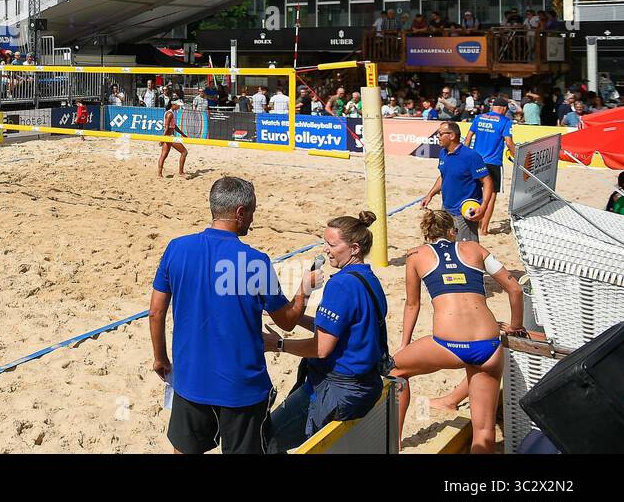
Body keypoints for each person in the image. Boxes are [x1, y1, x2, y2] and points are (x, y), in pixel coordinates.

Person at [148, 176, 315, 454]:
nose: (252, 219)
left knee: (184, 450)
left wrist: (160, 357)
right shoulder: (255, 262)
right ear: (240, 212)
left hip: (191, 380)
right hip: (241, 388)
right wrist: (306, 289)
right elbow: (286, 321)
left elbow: (156, 312)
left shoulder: (176, 248)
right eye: (252, 212)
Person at [390, 210, 524, 454]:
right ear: (453, 232)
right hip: (489, 345)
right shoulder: (475, 249)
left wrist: (404, 344)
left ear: (426, 234)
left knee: (395, 370)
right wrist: (516, 326)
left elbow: (412, 304)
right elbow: (515, 289)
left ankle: (394, 444)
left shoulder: (415, 255)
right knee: (484, 431)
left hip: (448, 345)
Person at [274, 211, 388, 437]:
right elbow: (347, 327)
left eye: (331, 244)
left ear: (354, 248)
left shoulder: (341, 285)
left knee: (267, 436)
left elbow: (321, 348)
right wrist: (299, 318)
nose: (325, 250)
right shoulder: (369, 279)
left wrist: (277, 344)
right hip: (367, 384)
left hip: (338, 389)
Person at [421, 121, 493, 242]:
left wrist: (484, 206)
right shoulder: (443, 153)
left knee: (467, 250)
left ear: (452, 136)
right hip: (446, 208)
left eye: (440, 133)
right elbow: (444, 176)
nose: (438, 136)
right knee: (447, 246)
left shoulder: (471, 156)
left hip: (464, 211)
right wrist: (430, 194)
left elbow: (487, 181)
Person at [464, 98, 516, 237]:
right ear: (504, 109)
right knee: (491, 195)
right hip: (492, 162)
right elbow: (509, 142)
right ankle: (484, 229)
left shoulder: (479, 117)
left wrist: (464, 155)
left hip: (475, 159)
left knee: (474, 191)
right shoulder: (505, 121)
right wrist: (517, 156)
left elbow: (468, 137)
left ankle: (472, 222)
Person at [156, 98, 188, 179]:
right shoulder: (170, 114)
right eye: (178, 106)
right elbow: (166, 128)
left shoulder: (170, 113)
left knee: (163, 155)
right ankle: (181, 172)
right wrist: (162, 139)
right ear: (173, 105)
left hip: (168, 136)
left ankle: (159, 174)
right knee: (184, 152)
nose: (179, 107)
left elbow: (174, 126)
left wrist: (182, 134)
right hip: (170, 137)